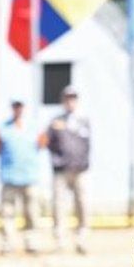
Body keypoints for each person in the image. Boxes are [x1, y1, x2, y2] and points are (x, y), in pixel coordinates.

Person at [44, 85, 91, 254]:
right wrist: (57, 161)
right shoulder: (56, 121)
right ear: (63, 101)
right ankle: (60, 240)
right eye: (67, 98)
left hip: (80, 169)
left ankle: (82, 238)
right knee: (58, 205)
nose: (70, 102)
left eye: (73, 98)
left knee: (82, 204)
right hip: (61, 170)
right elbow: (47, 142)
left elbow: (87, 145)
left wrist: (84, 163)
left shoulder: (83, 120)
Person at [0, 100, 41, 255]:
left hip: (30, 176)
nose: (18, 109)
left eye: (20, 106)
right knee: (7, 212)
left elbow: (42, 145)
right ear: (12, 108)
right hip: (10, 176)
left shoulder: (34, 127)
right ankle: (7, 243)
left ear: (24, 108)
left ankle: (31, 241)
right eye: (15, 106)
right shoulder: (2, 128)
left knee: (31, 212)